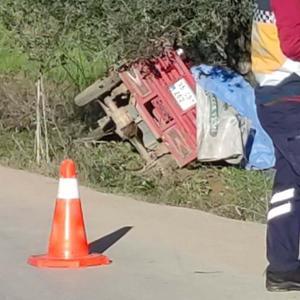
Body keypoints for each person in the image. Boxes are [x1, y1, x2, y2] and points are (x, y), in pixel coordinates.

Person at [252, 0, 300, 292]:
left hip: (277, 98)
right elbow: (294, 44)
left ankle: (282, 268)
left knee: (290, 185)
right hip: (288, 98)